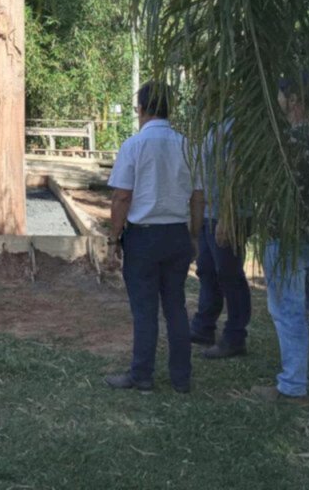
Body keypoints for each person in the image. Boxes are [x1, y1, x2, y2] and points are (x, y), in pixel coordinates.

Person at [105, 81, 203, 394]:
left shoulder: (134, 145)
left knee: (145, 308)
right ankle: (181, 378)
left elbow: (122, 196)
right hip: (176, 234)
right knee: (175, 305)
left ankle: (142, 375)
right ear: (169, 109)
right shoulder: (188, 146)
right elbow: (198, 197)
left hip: (144, 237)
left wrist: (113, 236)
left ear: (141, 109)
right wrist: (194, 236)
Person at [252, 72, 309, 404]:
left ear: (292, 100)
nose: (278, 102)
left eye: (280, 96)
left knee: (289, 310)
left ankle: (292, 387)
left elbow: (267, 186)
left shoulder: (288, 141)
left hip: (286, 236)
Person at [190, 118, 253, 359]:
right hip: (209, 212)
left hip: (227, 214)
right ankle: (203, 326)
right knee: (206, 270)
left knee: (229, 275)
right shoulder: (212, 122)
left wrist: (228, 216)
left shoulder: (235, 124)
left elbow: (238, 172)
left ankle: (235, 336)